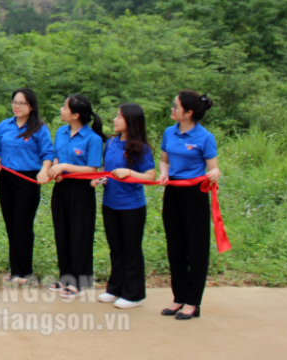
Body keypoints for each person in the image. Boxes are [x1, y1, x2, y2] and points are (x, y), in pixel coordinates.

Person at [158, 90, 220, 320]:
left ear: (189, 113)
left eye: (175, 106)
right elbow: (164, 161)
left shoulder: (205, 137)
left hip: (195, 194)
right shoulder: (169, 132)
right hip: (173, 191)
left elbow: (213, 167)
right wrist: (164, 174)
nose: (172, 109)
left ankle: (193, 302)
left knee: (196, 249)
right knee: (175, 246)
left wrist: (214, 174)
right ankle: (178, 297)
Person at [40, 95, 105, 299]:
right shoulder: (61, 132)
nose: (61, 110)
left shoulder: (92, 138)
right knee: (63, 233)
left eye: (65, 108)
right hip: (62, 188)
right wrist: (57, 171)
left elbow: (92, 169)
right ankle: (65, 277)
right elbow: (57, 155)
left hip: (81, 190)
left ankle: (81, 280)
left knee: (80, 235)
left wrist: (65, 167)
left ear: (75, 115)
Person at [93, 103, 155, 309]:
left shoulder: (140, 148)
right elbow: (106, 169)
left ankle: (133, 294)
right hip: (110, 203)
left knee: (131, 249)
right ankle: (115, 288)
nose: (114, 120)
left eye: (119, 117)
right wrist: (100, 178)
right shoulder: (110, 143)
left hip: (131, 206)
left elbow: (150, 176)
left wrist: (129, 173)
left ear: (131, 121)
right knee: (115, 248)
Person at [0, 88, 54, 285]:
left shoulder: (39, 128)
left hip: (27, 180)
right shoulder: (4, 126)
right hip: (6, 179)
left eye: (22, 103)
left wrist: (44, 171)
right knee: (11, 224)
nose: (17, 106)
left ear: (31, 106)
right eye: (14, 102)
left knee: (22, 225)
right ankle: (15, 270)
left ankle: (24, 272)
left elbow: (48, 154)